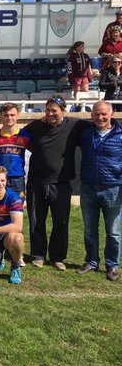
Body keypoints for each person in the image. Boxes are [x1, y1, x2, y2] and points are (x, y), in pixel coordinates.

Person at [25, 96, 90, 270]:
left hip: (61, 183)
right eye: (48, 110)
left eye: (54, 110)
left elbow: (100, 123)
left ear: (63, 111)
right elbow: (18, 137)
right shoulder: (35, 126)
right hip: (36, 182)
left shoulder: (75, 125)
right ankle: (38, 254)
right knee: (36, 220)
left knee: (61, 222)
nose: (50, 113)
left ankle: (57, 256)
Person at [77, 101, 122, 281]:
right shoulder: (86, 134)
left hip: (113, 189)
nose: (100, 117)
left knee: (113, 231)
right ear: (91, 115)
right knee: (89, 230)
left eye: (104, 114)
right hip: (88, 188)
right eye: (96, 114)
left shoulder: (120, 134)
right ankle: (91, 261)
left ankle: (112, 265)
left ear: (112, 114)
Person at [0, 103, 31, 201]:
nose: (9, 118)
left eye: (12, 115)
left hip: (17, 178)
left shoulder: (25, 135)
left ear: (18, 116)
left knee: (17, 206)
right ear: (0, 117)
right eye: (6, 115)